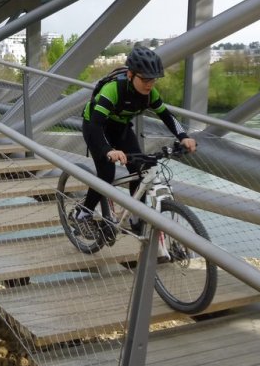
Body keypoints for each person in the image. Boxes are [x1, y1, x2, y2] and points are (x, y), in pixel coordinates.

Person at [77, 46, 197, 237]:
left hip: (120, 128)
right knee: (106, 174)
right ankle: (84, 214)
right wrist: (108, 150)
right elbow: (96, 126)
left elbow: (167, 116)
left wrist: (183, 136)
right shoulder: (113, 89)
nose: (150, 84)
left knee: (141, 169)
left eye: (154, 79)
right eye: (145, 79)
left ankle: (135, 217)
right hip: (96, 128)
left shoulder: (150, 93)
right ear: (131, 74)